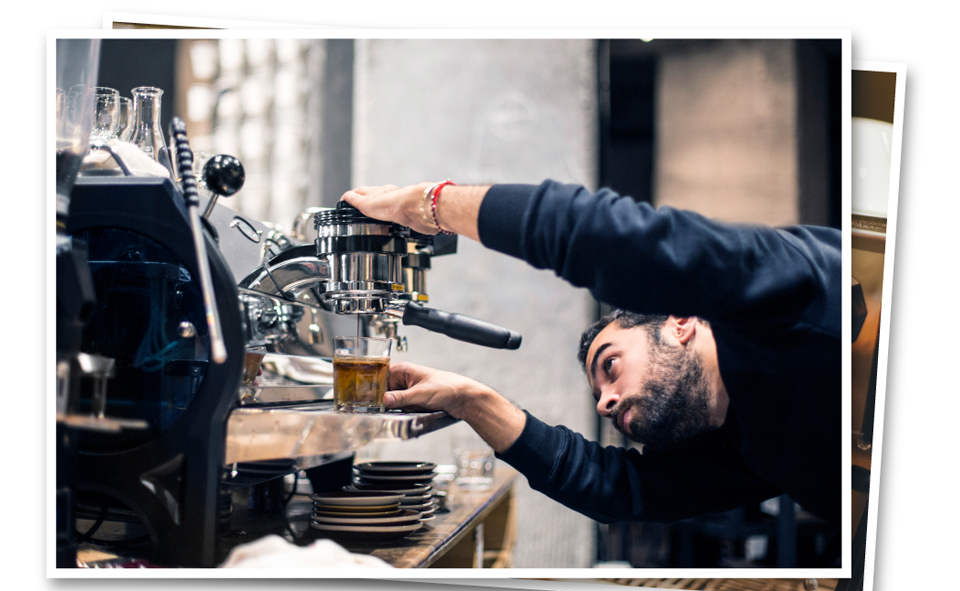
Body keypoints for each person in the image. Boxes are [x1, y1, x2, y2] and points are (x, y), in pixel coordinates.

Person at [340, 179, 842, 527]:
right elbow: (617, 489)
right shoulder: (743, 450)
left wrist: (428, 204)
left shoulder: (784, 288)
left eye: (611, 365)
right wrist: (470, 398)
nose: (604, 403)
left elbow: (606, 237)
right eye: (601, 391)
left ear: (681, 321)